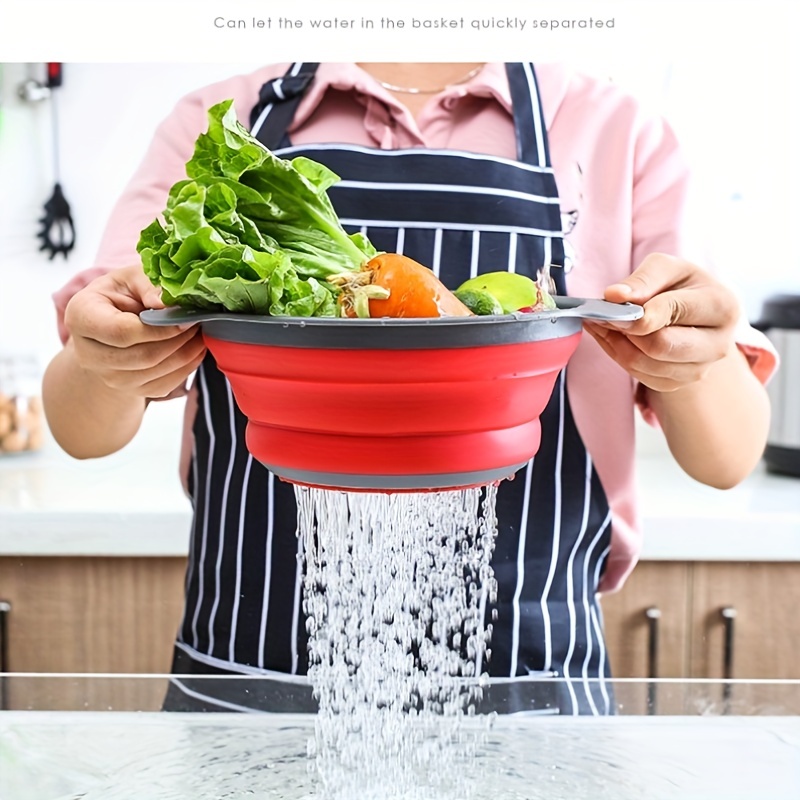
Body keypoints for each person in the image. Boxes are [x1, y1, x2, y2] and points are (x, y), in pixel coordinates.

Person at [42, 62, 776, 715]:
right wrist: (106, 356)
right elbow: (85, 429)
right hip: (244, 674)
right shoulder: (227, 115)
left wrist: (696, 355)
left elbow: (727, 457)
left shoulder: (615, 130)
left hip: (530, 680)